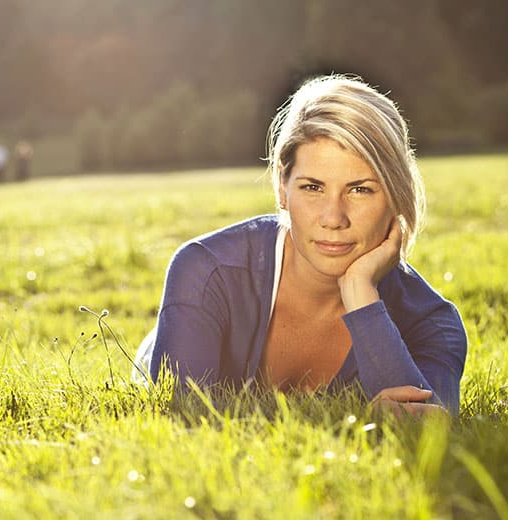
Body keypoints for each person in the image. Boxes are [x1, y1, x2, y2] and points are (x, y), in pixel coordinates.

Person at [133, 74, 467, 416]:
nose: (333, 218)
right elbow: (185, 411)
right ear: (282, 186)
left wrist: (360, 295)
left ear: (396, 196)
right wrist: (349, 420)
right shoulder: (207, 270)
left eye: (360, 189)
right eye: (312, 187)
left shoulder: (432, 324)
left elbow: (428, 430)